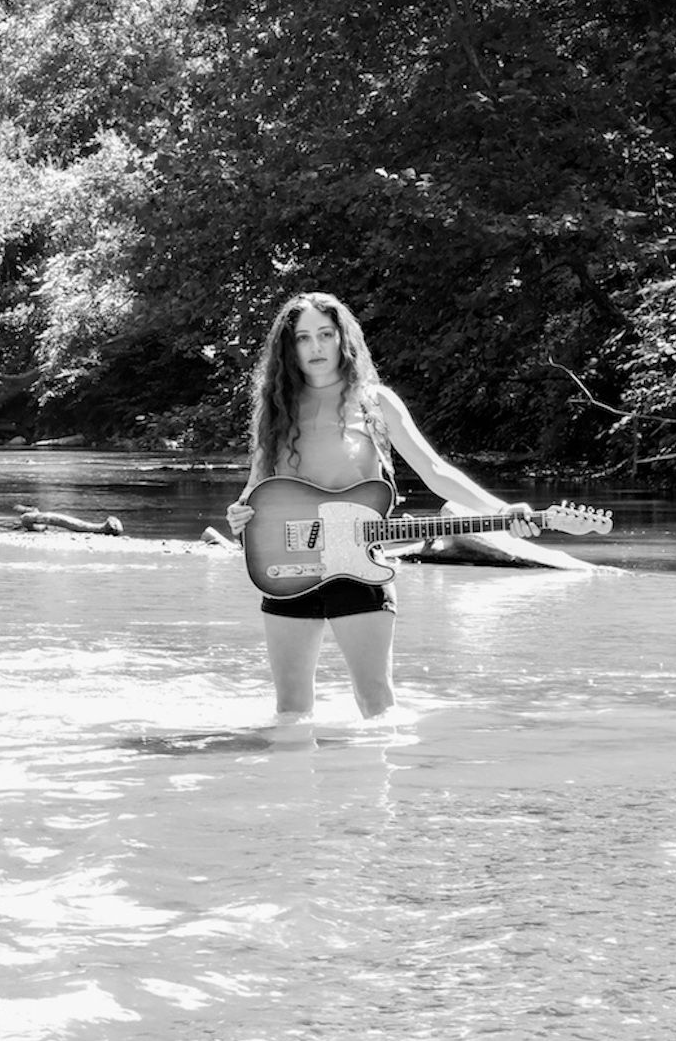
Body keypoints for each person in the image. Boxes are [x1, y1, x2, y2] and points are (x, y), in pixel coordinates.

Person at [225, 292, 537, 724]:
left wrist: (503, 511)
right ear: (288, 347)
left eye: (325, 334)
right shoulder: (276, 406)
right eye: (303, 338)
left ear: (343, 339)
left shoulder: (376, 402)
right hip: (288, 571)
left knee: (377, 706)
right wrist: (239, 514)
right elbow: (256, 489)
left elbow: (434, 471)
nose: (316, 347)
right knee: (291, 711)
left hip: (360, 569)